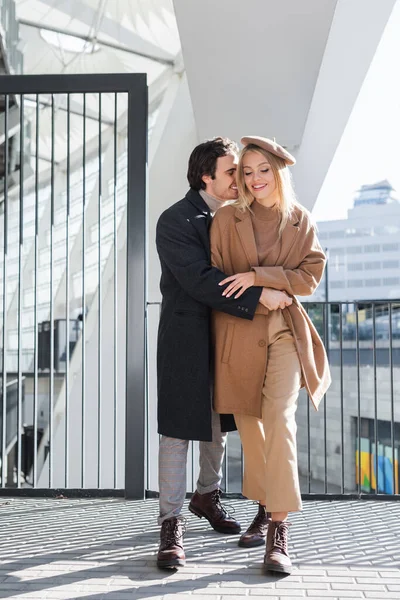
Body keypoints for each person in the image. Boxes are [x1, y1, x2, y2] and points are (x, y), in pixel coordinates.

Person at [210, 136, 331, 575]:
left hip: (284, 334)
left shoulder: (300, 220)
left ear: (278, 171)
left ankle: (278, 531)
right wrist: (263, 293)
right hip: (238, 335)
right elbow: (219, 277)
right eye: (246, 171)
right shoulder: (226, 219)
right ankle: (265, 506)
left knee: (279, 418)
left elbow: (310, 276)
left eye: (263, 169)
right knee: (252, 427)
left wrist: (261, 277)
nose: (255, 178)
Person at [155, 137, 278, 569]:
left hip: (229, 337)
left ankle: (207, 495)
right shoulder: (174, 220)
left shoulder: (238, 216)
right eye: (232, 171)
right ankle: (170, 524)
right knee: (176, 431)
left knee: (218, 424)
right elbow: (202, 279)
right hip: (186, 340)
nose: (240, 178)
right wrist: (259, 296)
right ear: (207, 176)